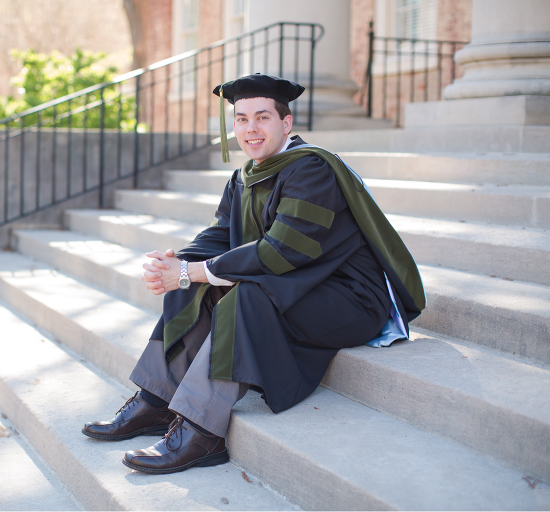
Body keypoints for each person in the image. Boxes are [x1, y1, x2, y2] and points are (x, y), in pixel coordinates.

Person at [81, 73, 425, 475]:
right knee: (190, 285)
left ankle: (200, 430)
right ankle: (155, 401)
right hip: (299, 289)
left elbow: (282, 253)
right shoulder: (245, 176)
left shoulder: (312, 171)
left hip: (349, 300)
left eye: (262, 117)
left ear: (287, 122)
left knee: (240, 296)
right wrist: (177, 263)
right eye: (241, 119)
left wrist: (193, 271)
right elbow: (220, 235)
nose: (251, 129)